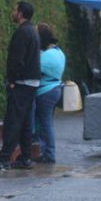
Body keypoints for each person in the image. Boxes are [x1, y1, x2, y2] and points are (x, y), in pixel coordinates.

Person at [0, 1, 41, 170]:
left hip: (21, 83)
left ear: (21, 13)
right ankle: (25, 157)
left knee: (13, 121)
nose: (13, 12)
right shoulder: (33, 31)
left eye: (15, 10)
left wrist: (12, 81)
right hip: (31, 82)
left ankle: (3, 159)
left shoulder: (22, 33)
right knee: (24, 122)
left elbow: (17, 60)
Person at [31, 23, 66, 164]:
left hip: (45, 91)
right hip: (56, 89)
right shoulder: (59, 52)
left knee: (46, 124)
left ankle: (49, 154)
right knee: (47, 122)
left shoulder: (47, 55)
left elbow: (34, 69)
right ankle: (46, 152)